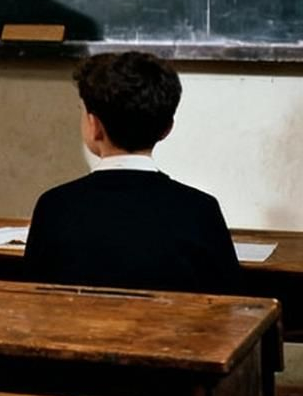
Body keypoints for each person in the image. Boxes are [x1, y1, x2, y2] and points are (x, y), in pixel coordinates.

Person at [23, 51, 241, 293]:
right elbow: (230, 303)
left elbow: (34, 299)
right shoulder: (200, 210)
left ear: (94, 125)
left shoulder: (54, 206)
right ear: (167, 129)